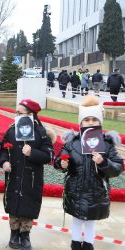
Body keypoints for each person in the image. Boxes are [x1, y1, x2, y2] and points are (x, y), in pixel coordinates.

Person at [54, 96, 123, 250]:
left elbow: (118, 167)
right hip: (75, 191)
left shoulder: (106, 144)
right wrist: (62, 163)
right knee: (77, 221)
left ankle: (89, 244)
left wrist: (103, 162)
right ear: (80, 123)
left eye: (94, 119)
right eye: (87, 120)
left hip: (95, 192)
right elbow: (58, 161)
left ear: (100, 122)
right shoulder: (72, 143)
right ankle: (76, 243)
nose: (90, 122)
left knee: (90, 222)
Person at [0, 99, 54, 250]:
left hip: (32, 178)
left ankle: (25, 235)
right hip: (14, 175)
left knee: (28, 205)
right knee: (13, 205)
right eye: (15, 112)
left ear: (30, 114)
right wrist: (4, 162)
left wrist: (32, 153)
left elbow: (49, 155)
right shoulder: (12, 130)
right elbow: (3, 149)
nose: (16, 115)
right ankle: (14, 233)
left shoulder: (41, 133)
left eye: (19, 112)